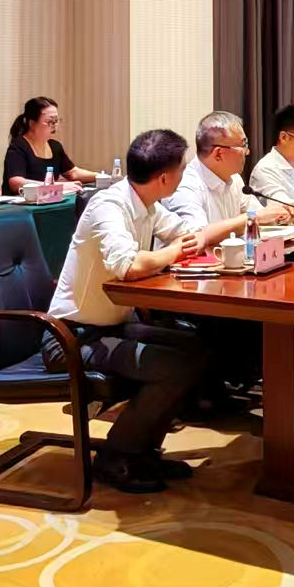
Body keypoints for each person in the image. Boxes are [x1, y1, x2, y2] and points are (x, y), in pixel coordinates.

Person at [43, 128, 208, 493]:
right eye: (181, 169)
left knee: (197, 348)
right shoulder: (109, 206)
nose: (184, 175)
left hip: (112, 325)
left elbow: (187, 233)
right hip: (70, 337)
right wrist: (173, 252)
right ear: (164, 178)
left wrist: (206, 236)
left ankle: (143, 450)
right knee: (173, 365)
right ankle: (116, 457)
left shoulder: (147, 204)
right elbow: (127, 266)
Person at [163, 111, 293, 239]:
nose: (247, 152)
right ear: (219, 154)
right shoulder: (185, 187)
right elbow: (197, 237)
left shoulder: (234, 178)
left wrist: (276, 216)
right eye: (243, 145)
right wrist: (255, 217)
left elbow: (258, 215)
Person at [2, 97, 98, 193]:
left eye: (56, 121)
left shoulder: (55, 146)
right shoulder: (18, 146)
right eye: (50, 121)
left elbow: (73, 173)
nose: (54, 126)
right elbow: (16, 182)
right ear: (32, 124)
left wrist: (101, 176)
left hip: (49, 199)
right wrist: (56, 186)